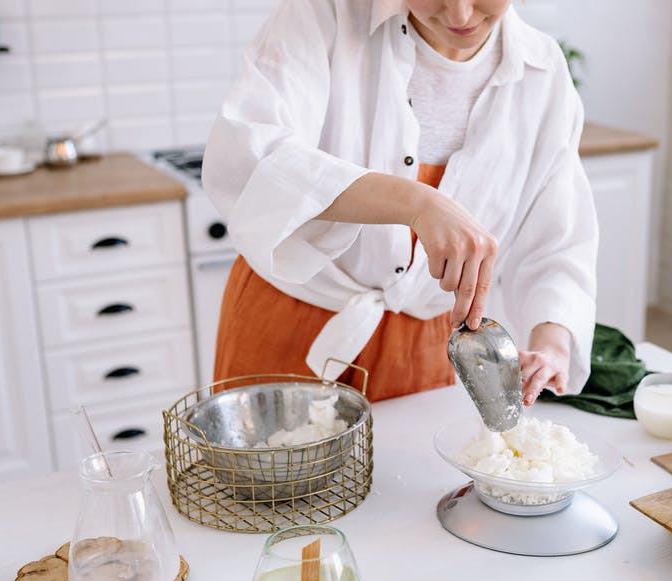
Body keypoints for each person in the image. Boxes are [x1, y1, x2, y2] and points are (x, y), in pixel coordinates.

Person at [202, 0, 597, 405]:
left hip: (431, 349)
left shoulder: (543, 70)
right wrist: (415, 202)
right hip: (290, 325)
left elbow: (557, 239)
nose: (460, 15)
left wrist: (553, 343)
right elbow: (249, 157)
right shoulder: (324, 14)